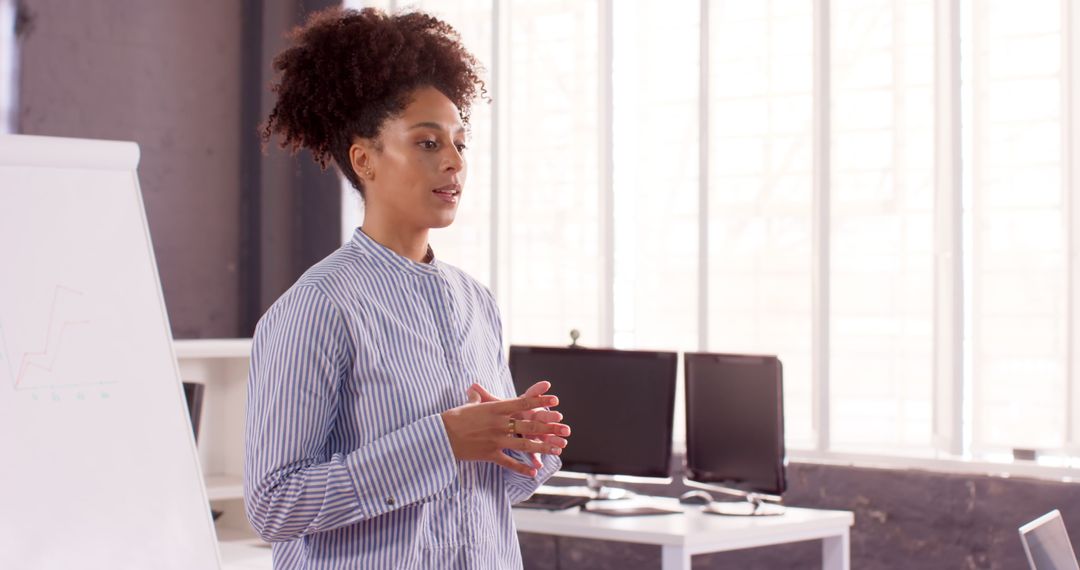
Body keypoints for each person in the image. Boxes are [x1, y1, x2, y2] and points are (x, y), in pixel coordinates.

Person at [243, 7, 570, 569]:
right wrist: (441, 441)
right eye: (427, 143)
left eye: (460, 145)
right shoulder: (319, 308)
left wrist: (519, 445)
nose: (453, 162)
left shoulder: (476, 302)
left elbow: (488, 494)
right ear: (365, 159)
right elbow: (275, 505)